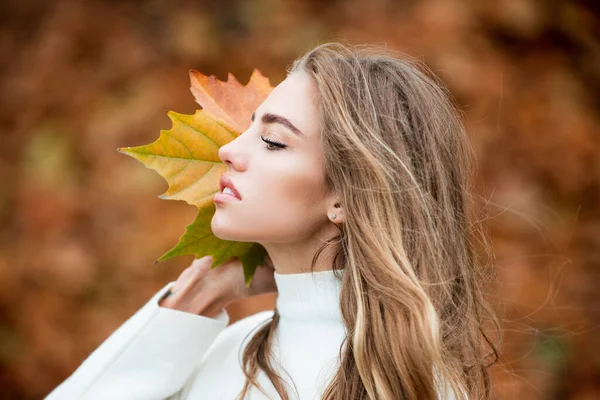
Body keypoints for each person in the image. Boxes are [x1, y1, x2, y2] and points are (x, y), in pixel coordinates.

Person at [45, 42, 499, 400]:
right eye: (247, 128)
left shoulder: (406, 381)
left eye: (273, 141)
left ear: (347, 196)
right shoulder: (226, 347)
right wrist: (200, 296)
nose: (228, 151)